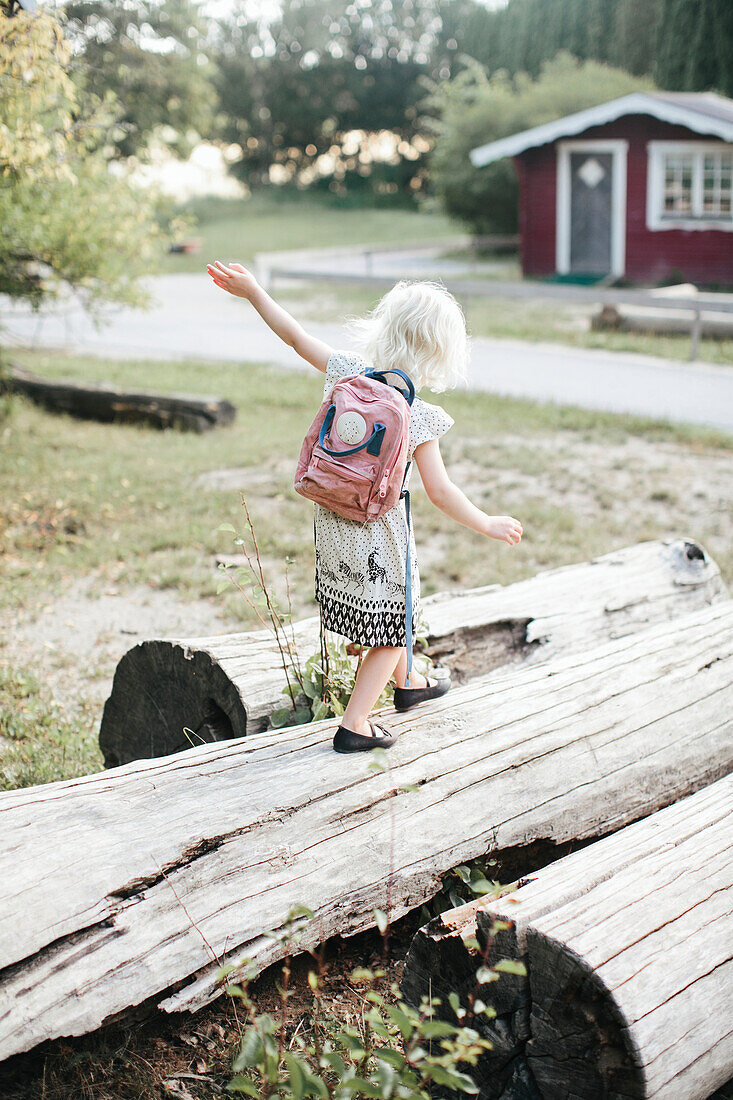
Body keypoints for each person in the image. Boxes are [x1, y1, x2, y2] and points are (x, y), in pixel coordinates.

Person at [207, 260, 523, 753]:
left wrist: (254, 293)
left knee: (380, 614)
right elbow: (441, 492)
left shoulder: (350, 373)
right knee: (393, 626)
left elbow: (294, 336)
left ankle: (409, 682)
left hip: (334, 526)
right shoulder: (421, 414)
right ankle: (356, 723)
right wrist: (486, 522)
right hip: (382, 536)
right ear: (441, 353)